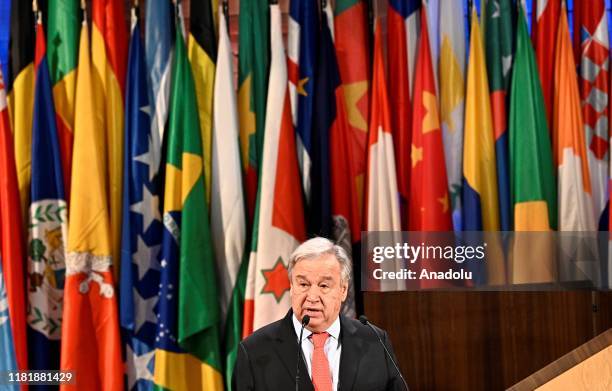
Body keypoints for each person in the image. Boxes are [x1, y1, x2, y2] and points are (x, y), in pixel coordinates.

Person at [234, 237, 406, 390]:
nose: (312, 297)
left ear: (343, 290)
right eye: (303, 284)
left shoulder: (376, 341)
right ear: (291, 287)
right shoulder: (254, 351)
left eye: (324, 286)